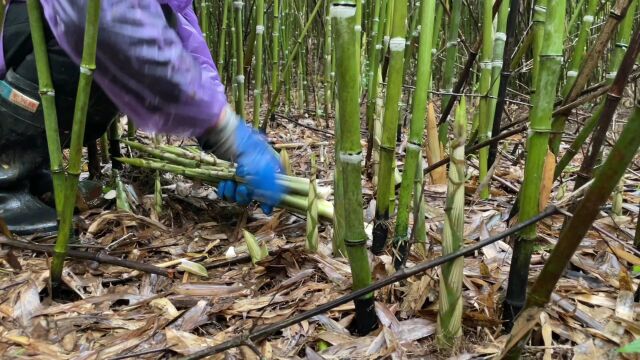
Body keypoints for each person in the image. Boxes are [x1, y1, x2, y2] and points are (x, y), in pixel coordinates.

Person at [0, 0, 284, 235]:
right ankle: (5, 185)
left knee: (157, 24)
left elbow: (185, 45)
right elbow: (114, 23)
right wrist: (225, 131)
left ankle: (31, 174)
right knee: (104, 41)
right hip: (41, 35)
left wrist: (228, 145)